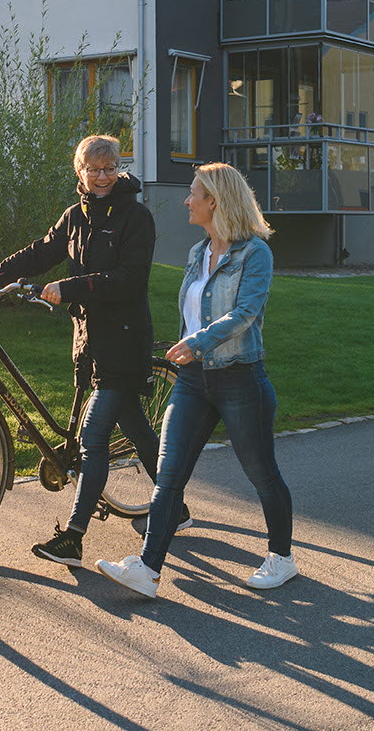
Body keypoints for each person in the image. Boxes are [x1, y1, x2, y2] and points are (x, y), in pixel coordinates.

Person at [0, 134, 168, 568]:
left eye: (109, 168)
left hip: (124, 338)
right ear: (79, 172)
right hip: (88, 337)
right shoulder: (75, 216)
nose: (102, 177)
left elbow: (130, 278)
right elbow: (41, 251)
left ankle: (72, 539)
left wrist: (69, 287)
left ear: (119, 168)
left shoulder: (137, 217)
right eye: (93, 170)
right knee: (133, 425)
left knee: (94, 438)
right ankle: (175, 505)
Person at [96, 161, 293, 598]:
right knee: (168, 475)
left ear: (215, 202)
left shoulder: (255, 253)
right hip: (191, 381)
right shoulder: (197, 252)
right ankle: (147, 570)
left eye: (193, 194)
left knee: (262, 474)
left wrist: (198, 341)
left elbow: (245, 314)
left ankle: (282, 557)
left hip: (240, 378)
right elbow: (191, 310)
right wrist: (188, 346)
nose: (186, 201)